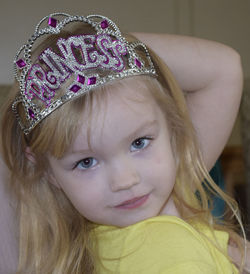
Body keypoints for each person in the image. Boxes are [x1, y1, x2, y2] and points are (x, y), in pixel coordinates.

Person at [0, 12, 248, 273]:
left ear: (173, 129)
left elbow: (225, 68)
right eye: (86, 162)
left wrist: (99, 47)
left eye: (139, 143)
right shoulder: (163, 233)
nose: (125, 181)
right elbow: (225, 66)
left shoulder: (165, 198)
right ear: (47, 171)